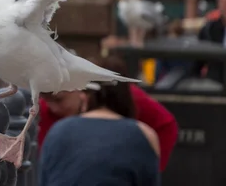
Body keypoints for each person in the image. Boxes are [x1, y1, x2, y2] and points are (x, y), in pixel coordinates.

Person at [38, 55, 178, 172]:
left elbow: (165, 124)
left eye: (59, 100)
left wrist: (148, 168)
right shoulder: (43, 112)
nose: (53, 108)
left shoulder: (128, 99)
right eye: (46, 100)